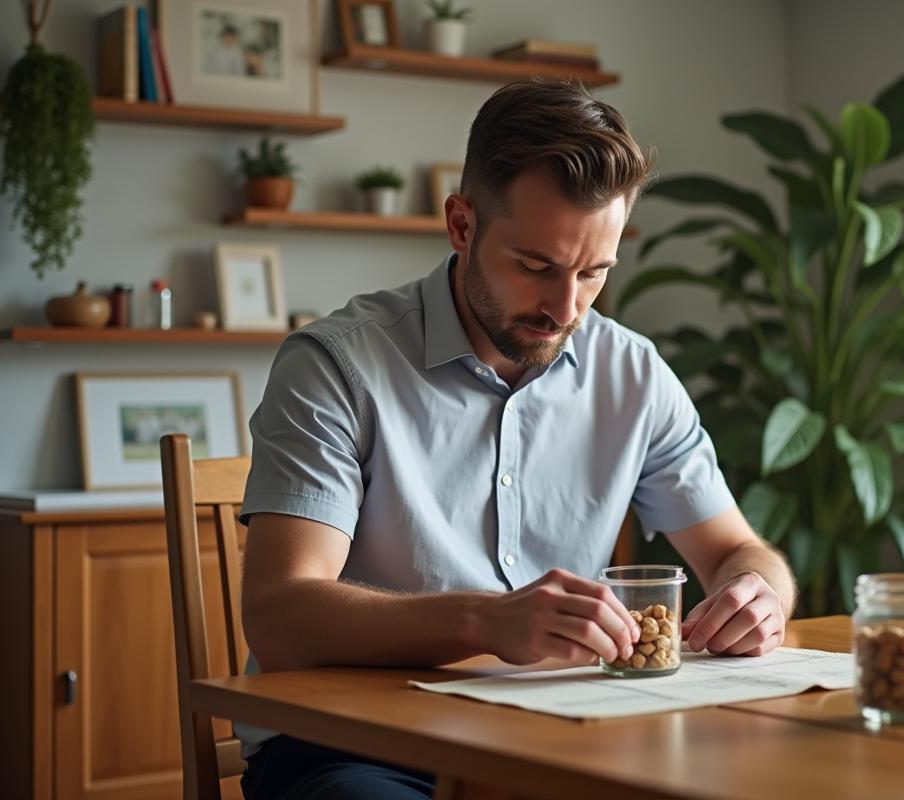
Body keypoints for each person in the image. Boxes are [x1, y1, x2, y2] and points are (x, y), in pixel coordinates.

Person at [236, 80, 797, 800]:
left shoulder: (632, 373)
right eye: (536, 267)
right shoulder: (339, 366)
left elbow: (736, 552)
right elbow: (281, 616)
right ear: (461, 224)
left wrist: (757, 595)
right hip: (353, 749)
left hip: (560, 740)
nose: (567, 307)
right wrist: (484, 619)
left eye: (594, 273)